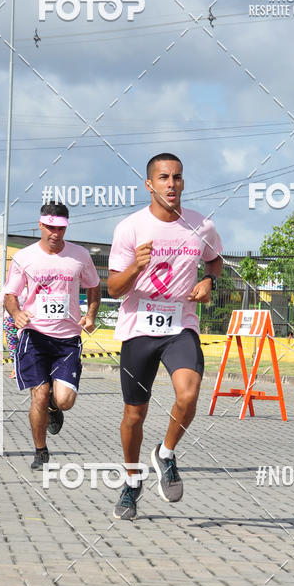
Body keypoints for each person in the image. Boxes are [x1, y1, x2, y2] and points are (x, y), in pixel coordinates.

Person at [107, 152, 223, 521]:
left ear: (183, 183)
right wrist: (135, 267)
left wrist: (208, 281)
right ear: (149, 184)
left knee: (188, 395)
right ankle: (131, 480)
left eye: (176, 177)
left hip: (181, 326)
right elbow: (113, 288)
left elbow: (215, 260)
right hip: (139, 329)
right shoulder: (130, 228)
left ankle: (166, 453)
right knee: (133, 415)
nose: (170, 184)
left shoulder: (201, 225)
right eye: (163, 177)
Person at [3, 202, 101, 470]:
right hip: (34, 336)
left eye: (60, 228)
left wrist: (91, 314)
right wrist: (16, 313)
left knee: (65, 400)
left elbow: (94, 286)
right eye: (50, 227)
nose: (55, 233)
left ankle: (54, 410)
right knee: (39, 394)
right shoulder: (24, 257)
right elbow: (10, 295)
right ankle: (40, 451)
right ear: (40, 225)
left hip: (68, 338)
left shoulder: (79, 255)